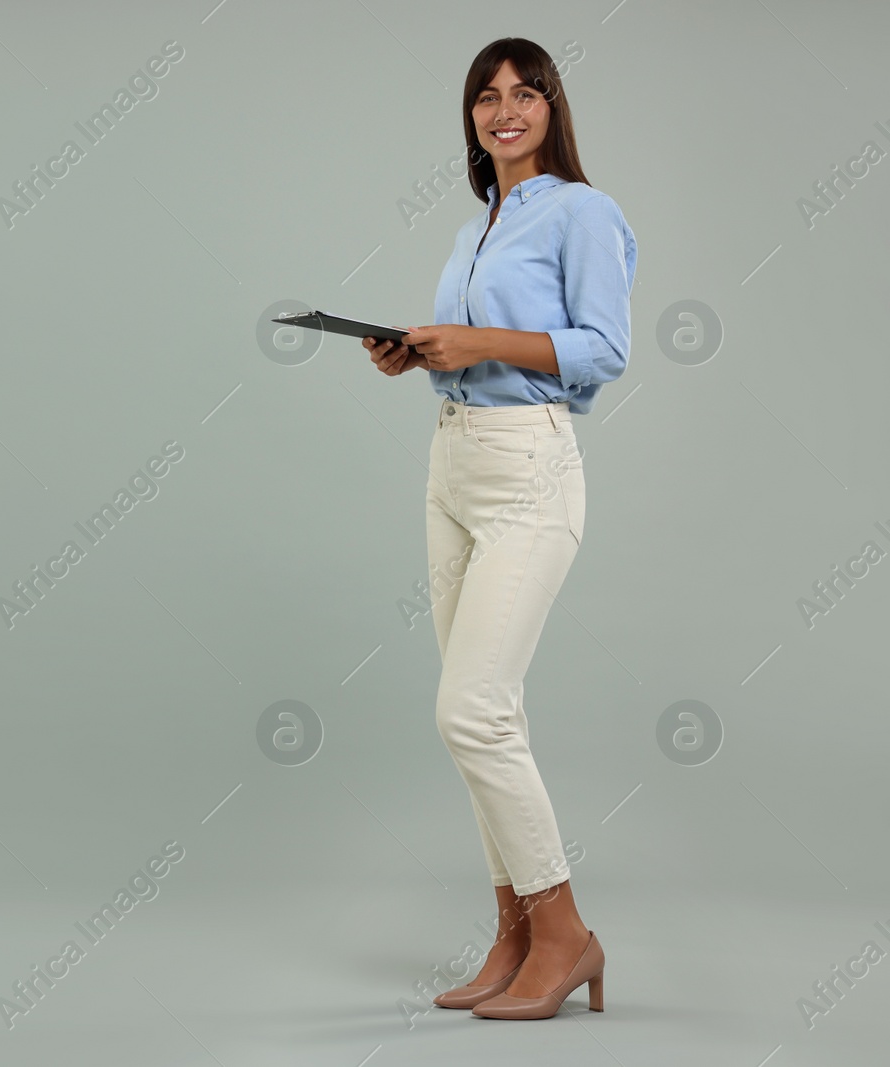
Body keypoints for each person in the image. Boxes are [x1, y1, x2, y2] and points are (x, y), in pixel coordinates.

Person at [364, 37, 636, 1021]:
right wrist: (420, 355)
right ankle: (515, 931)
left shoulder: (583, 211)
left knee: (468, 709)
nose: (504, 108)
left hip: (528, 468)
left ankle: (565, 931)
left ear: (554, 108)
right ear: (471, 118)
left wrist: (472, 341)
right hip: (451, 462)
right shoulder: (478, 222)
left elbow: (601, 350)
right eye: (486, 96)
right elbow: (475, 350)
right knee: (488, 714)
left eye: (525, 92)